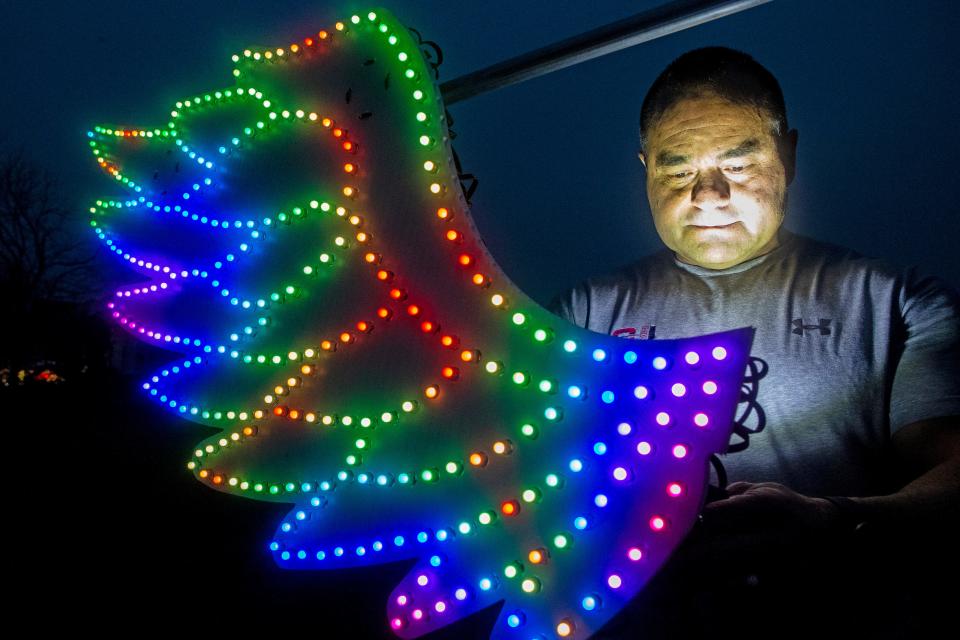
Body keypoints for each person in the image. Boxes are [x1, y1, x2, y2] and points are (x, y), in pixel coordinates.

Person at [547, 46, 960, 637]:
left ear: (787, 155)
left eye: (738, 165)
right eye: (677, 169)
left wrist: (835, 520)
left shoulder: (897, 302)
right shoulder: (583, 315)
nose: (708, 195)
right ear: (643, 167)